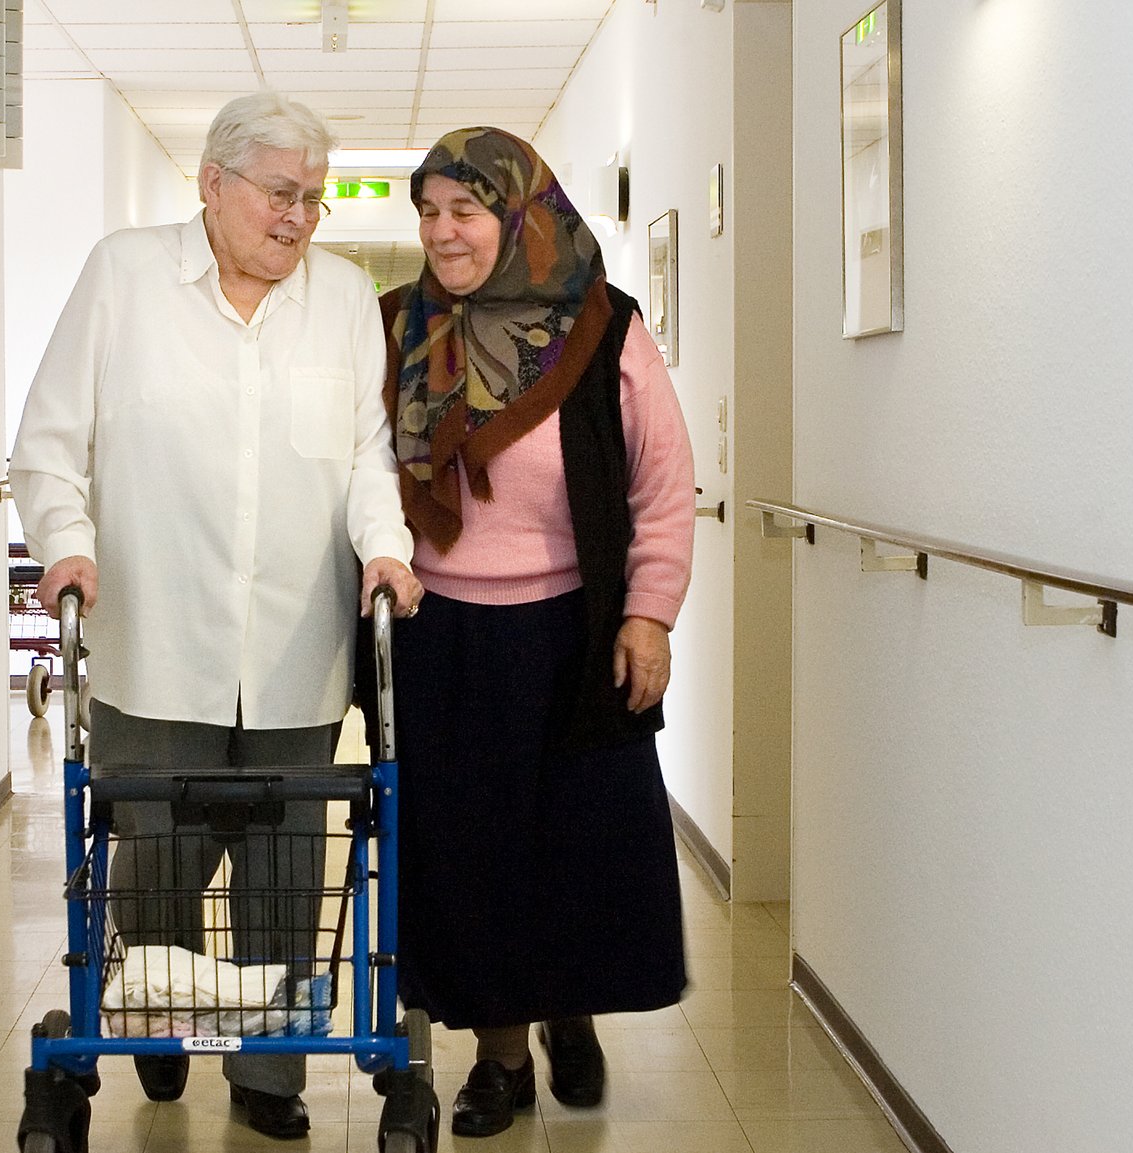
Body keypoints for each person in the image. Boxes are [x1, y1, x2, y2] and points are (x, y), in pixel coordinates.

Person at [9, 90, 423, 1141]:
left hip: (296, 644)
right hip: (158, 635)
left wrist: (386, 545)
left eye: (314, 200)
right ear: (212, 184)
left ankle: (267, 1077)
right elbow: (48, 442)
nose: (298, 218)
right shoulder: (123, 276)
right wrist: (66, 539)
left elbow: (367, 457)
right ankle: (156, 1029)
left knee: (288, 871)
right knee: (158, 857)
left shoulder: (340, 298)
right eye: (280, 193)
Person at [379, 127, 696, 1138]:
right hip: (442, 636)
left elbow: (659, 483)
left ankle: (572, 1008)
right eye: (427, 212)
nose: (441, 233)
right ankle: (499, 1058)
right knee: (469, 859)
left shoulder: (601, 329)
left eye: (463, 212)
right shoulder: (394, 327)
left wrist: (648, 614)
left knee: (577, 848)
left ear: (519, 216)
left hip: (576, 629)